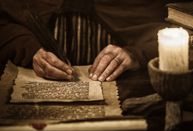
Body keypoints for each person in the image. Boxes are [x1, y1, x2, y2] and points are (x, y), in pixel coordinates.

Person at [0, 0, 180, 81]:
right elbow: (5, 21)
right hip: (31, 89)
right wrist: (31, 50)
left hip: (130, 92)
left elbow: (176, 32)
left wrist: (136, 54)